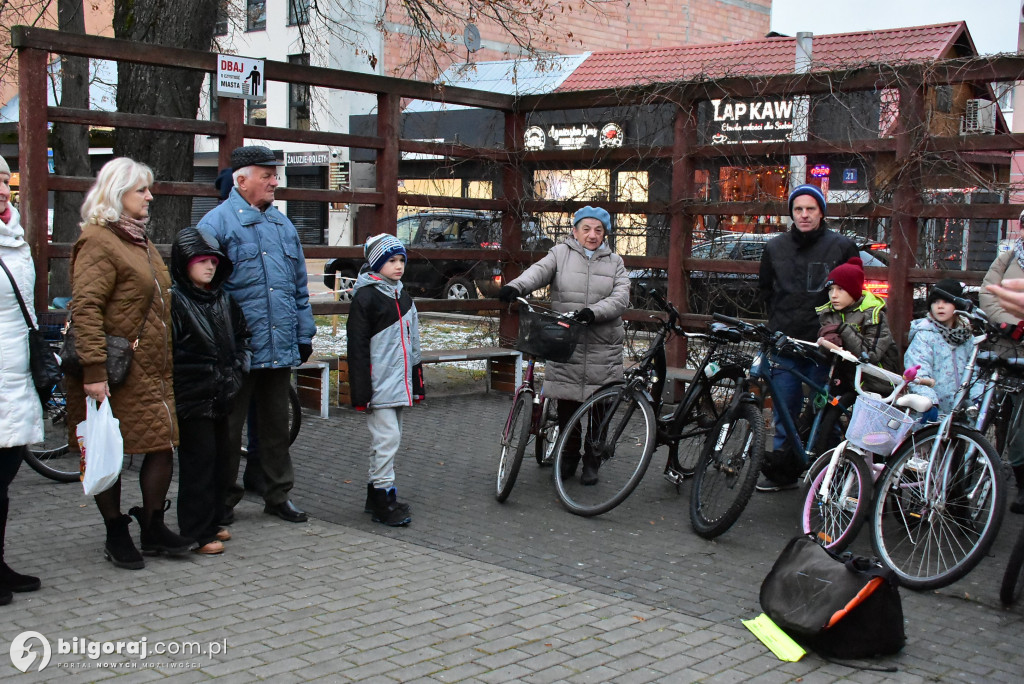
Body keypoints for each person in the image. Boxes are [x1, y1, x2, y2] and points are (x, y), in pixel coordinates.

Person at [65, 157, 192, 569]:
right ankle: (115, 531)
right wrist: (94, 372)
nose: (150, 196)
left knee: (162, 444)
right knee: (110, 452)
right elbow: (86, 308)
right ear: (117, 192)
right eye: (142, 190)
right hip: (117, 371)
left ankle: (153, 526)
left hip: (154, 368)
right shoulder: (98, 241)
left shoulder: (139, 240)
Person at [197, 145, 315, 524]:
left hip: (279, 344)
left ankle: (277, 494)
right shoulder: (215, 225)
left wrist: (304, 333)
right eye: (266, 175)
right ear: (241, 179)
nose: (274, 182)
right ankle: (223, 500)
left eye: (274, 175)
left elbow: (298, 287)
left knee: (275, 426)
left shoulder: (284, 226)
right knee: (229, 429)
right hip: (236, 350)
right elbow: (203, 294)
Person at [498, 206, 630, 486]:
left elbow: (621, 298)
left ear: (605, 233)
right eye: (586, 229)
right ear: (575, 231)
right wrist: (516, 287)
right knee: (568, 404)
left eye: (598, 230)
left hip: (602, 345)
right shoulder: (560, 254)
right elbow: (537, 272)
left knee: (599, 408)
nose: (592, 235)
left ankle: (592, 460)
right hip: (566, 342)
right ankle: (568, 455)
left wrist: (594, 311)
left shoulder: (615, 262)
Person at [757, 184, 859, 491]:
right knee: (785, 411)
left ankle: (831, 479)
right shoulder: (775, 247)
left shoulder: (842, 246)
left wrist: (839, 332)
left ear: (821, 212)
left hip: (826, 346)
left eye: (810, 209)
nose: (804, 215)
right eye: (798, 209)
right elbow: (765, 290)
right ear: (791, 212)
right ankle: (783, 473)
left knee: (825, 415)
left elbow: (855, 295)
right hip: (786, 342)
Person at [169, 227, 251, 554]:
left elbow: (243, 336)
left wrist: (238, 368)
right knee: (197, 464)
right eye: (201, 261)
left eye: (213, 261)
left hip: (222, 391)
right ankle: (196, 530)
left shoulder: (223, 299)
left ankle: (215, 519)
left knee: (221, 458)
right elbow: (168, 350)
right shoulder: (175, 301)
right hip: (191, 395)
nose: (209, 267)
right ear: (184, 264)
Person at [347, 234, 424, 526]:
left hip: (399, 383)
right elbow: (357, 348)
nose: (398, 266)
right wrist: (361, 391)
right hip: (377, 385)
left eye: (401, 260)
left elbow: (413, 342)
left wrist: (416, 381)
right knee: (387, 439)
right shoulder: (366, 298)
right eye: (391, 260)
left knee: (389, 439)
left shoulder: (402, 296)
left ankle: (376, 494)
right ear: (377, 262)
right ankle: (383, 501)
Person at [0, 154, 43, 602]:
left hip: (14, 371)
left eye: (2, 179)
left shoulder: (15, 236)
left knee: (6, 470)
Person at [981, 227, 1024, 513]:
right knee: (994, 410)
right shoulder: (1009, 258)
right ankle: (990, 471)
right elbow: (988, 292)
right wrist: (1008, 323)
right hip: (1006, 346)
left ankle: (1021, 485)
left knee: (1022, 423)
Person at [816, 256, 900, 393]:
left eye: (840, 289)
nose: (833, 295)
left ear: (854, 290)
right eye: (830, 289)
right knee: (818, 410)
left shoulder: (874, 315)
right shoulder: (829, 313)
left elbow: (871, 355)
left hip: (874, 383)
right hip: (843, 379)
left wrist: (843, 330)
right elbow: (827, 356)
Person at [904, 279, 978, 420]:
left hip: (964, 414)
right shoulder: (924, 335)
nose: (940, 306)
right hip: (932, 414)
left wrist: (976, 400)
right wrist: (930, 403)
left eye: (946, 302)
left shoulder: (967, 337)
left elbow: (976, 373)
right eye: (935, 301)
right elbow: (919, 373)